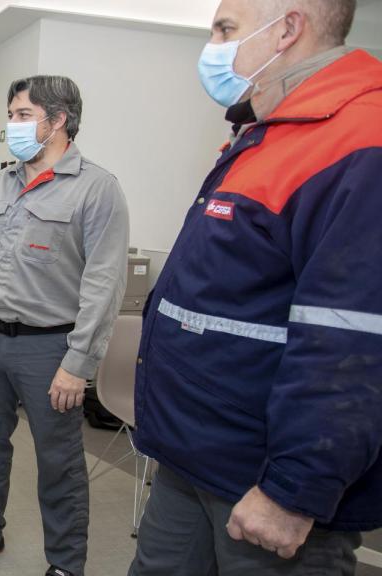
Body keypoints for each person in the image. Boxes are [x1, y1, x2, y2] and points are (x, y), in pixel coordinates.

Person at [130, 1, 382, 574]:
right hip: (192, 455)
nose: (212, 46)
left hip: (264, 485)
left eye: (225, 29)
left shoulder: (359, 138)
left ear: (288, 28)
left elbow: (352, 343)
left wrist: (294, 490)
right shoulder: (264, 135)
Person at [0, 75, 129, 576]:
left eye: (22, 116)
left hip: (50, 349)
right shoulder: (2, 182)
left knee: (59, 463)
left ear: (58, 121)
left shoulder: (97, 189)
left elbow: (103, 288)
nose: (12, 125)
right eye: (12, 114)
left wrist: (77, 364)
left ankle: (65, 564)